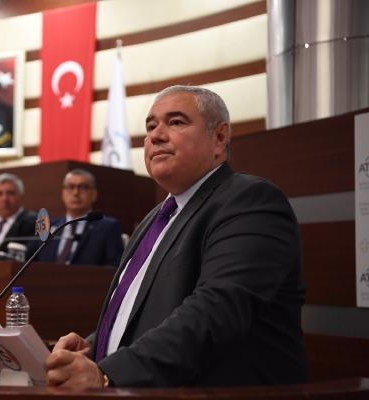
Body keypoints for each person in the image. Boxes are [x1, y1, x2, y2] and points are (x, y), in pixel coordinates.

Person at [45, 85, 307, 389]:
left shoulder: (249, 201)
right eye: (150, 126)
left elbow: (215, 312)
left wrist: (108, 374)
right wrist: (94, 347)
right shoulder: (154, 219)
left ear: (219, 137)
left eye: (176, 122)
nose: (155, 135)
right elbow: (141, 310)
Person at [36, 169, 124, 267]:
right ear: (63, 193)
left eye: (83, 187)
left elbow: (115, 266)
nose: (76, 193)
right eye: (70, 187)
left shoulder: (108, 227)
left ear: (94, 194)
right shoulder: (48, 226)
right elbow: (32, 260)